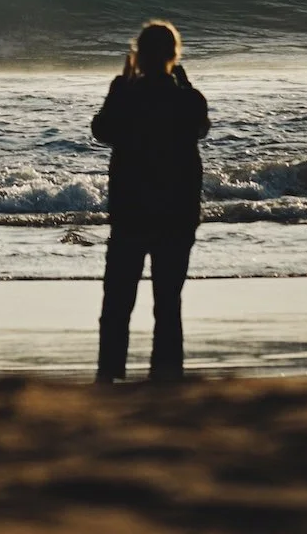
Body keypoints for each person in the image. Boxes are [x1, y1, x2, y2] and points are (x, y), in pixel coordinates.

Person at [91, 20, 210, 383]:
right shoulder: (187, 97)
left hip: (131, 210)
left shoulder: (125, 90)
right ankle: (167, 374)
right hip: (177, 210)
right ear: (175, 55)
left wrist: (124, 84)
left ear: (138, 54)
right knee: (168, 303)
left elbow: (101, 131)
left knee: (117, 302)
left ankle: (110, 374)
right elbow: (199, 128)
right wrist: (185, 84)